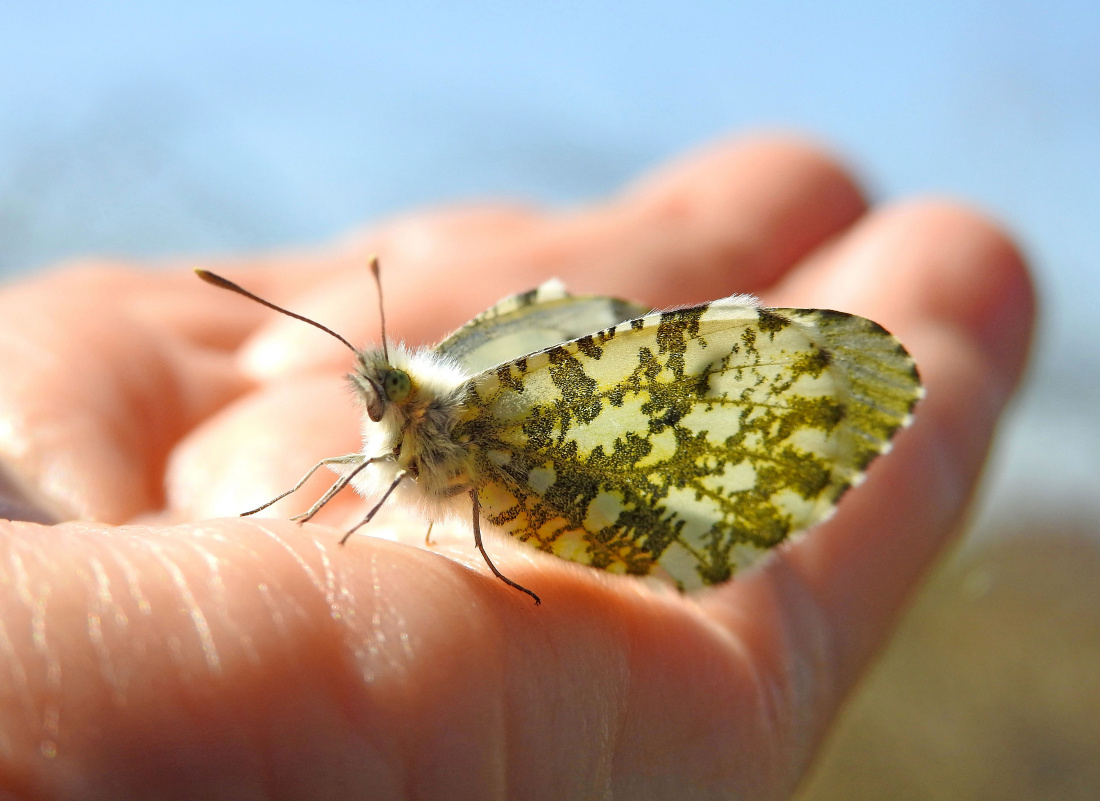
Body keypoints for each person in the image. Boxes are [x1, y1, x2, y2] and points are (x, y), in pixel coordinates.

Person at [0, 136, 1033, 799]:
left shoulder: (458, 415)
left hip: (662, 498)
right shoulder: (410, 429)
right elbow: (367, 466)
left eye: (383, 402)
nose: (373, 416)